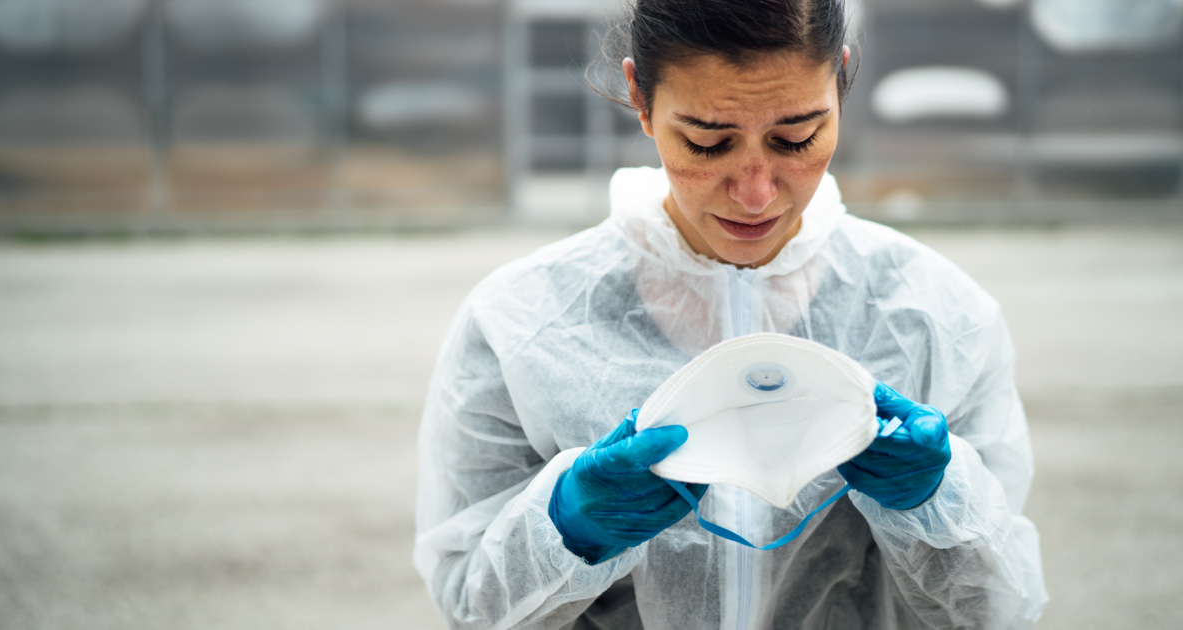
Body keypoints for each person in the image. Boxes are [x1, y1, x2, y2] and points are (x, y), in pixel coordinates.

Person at [414, 0, 1049, 627]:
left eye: (795, 138)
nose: (755, 193)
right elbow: (472, 608)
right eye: (707, 143)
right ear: (640, 97)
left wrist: (938, 506)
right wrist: (564, 527)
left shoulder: (937, 315)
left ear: (843, 79)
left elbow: (993, 614)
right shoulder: (521, 322)